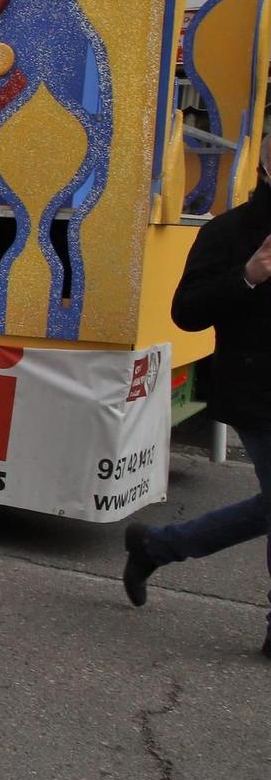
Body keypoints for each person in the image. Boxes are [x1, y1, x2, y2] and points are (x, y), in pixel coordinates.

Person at [124, 155, 270, 655]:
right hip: (259, 392)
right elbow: (186, 313)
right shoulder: (230, 232)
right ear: (267, 163)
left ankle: (156, 546)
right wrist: (247, 276)